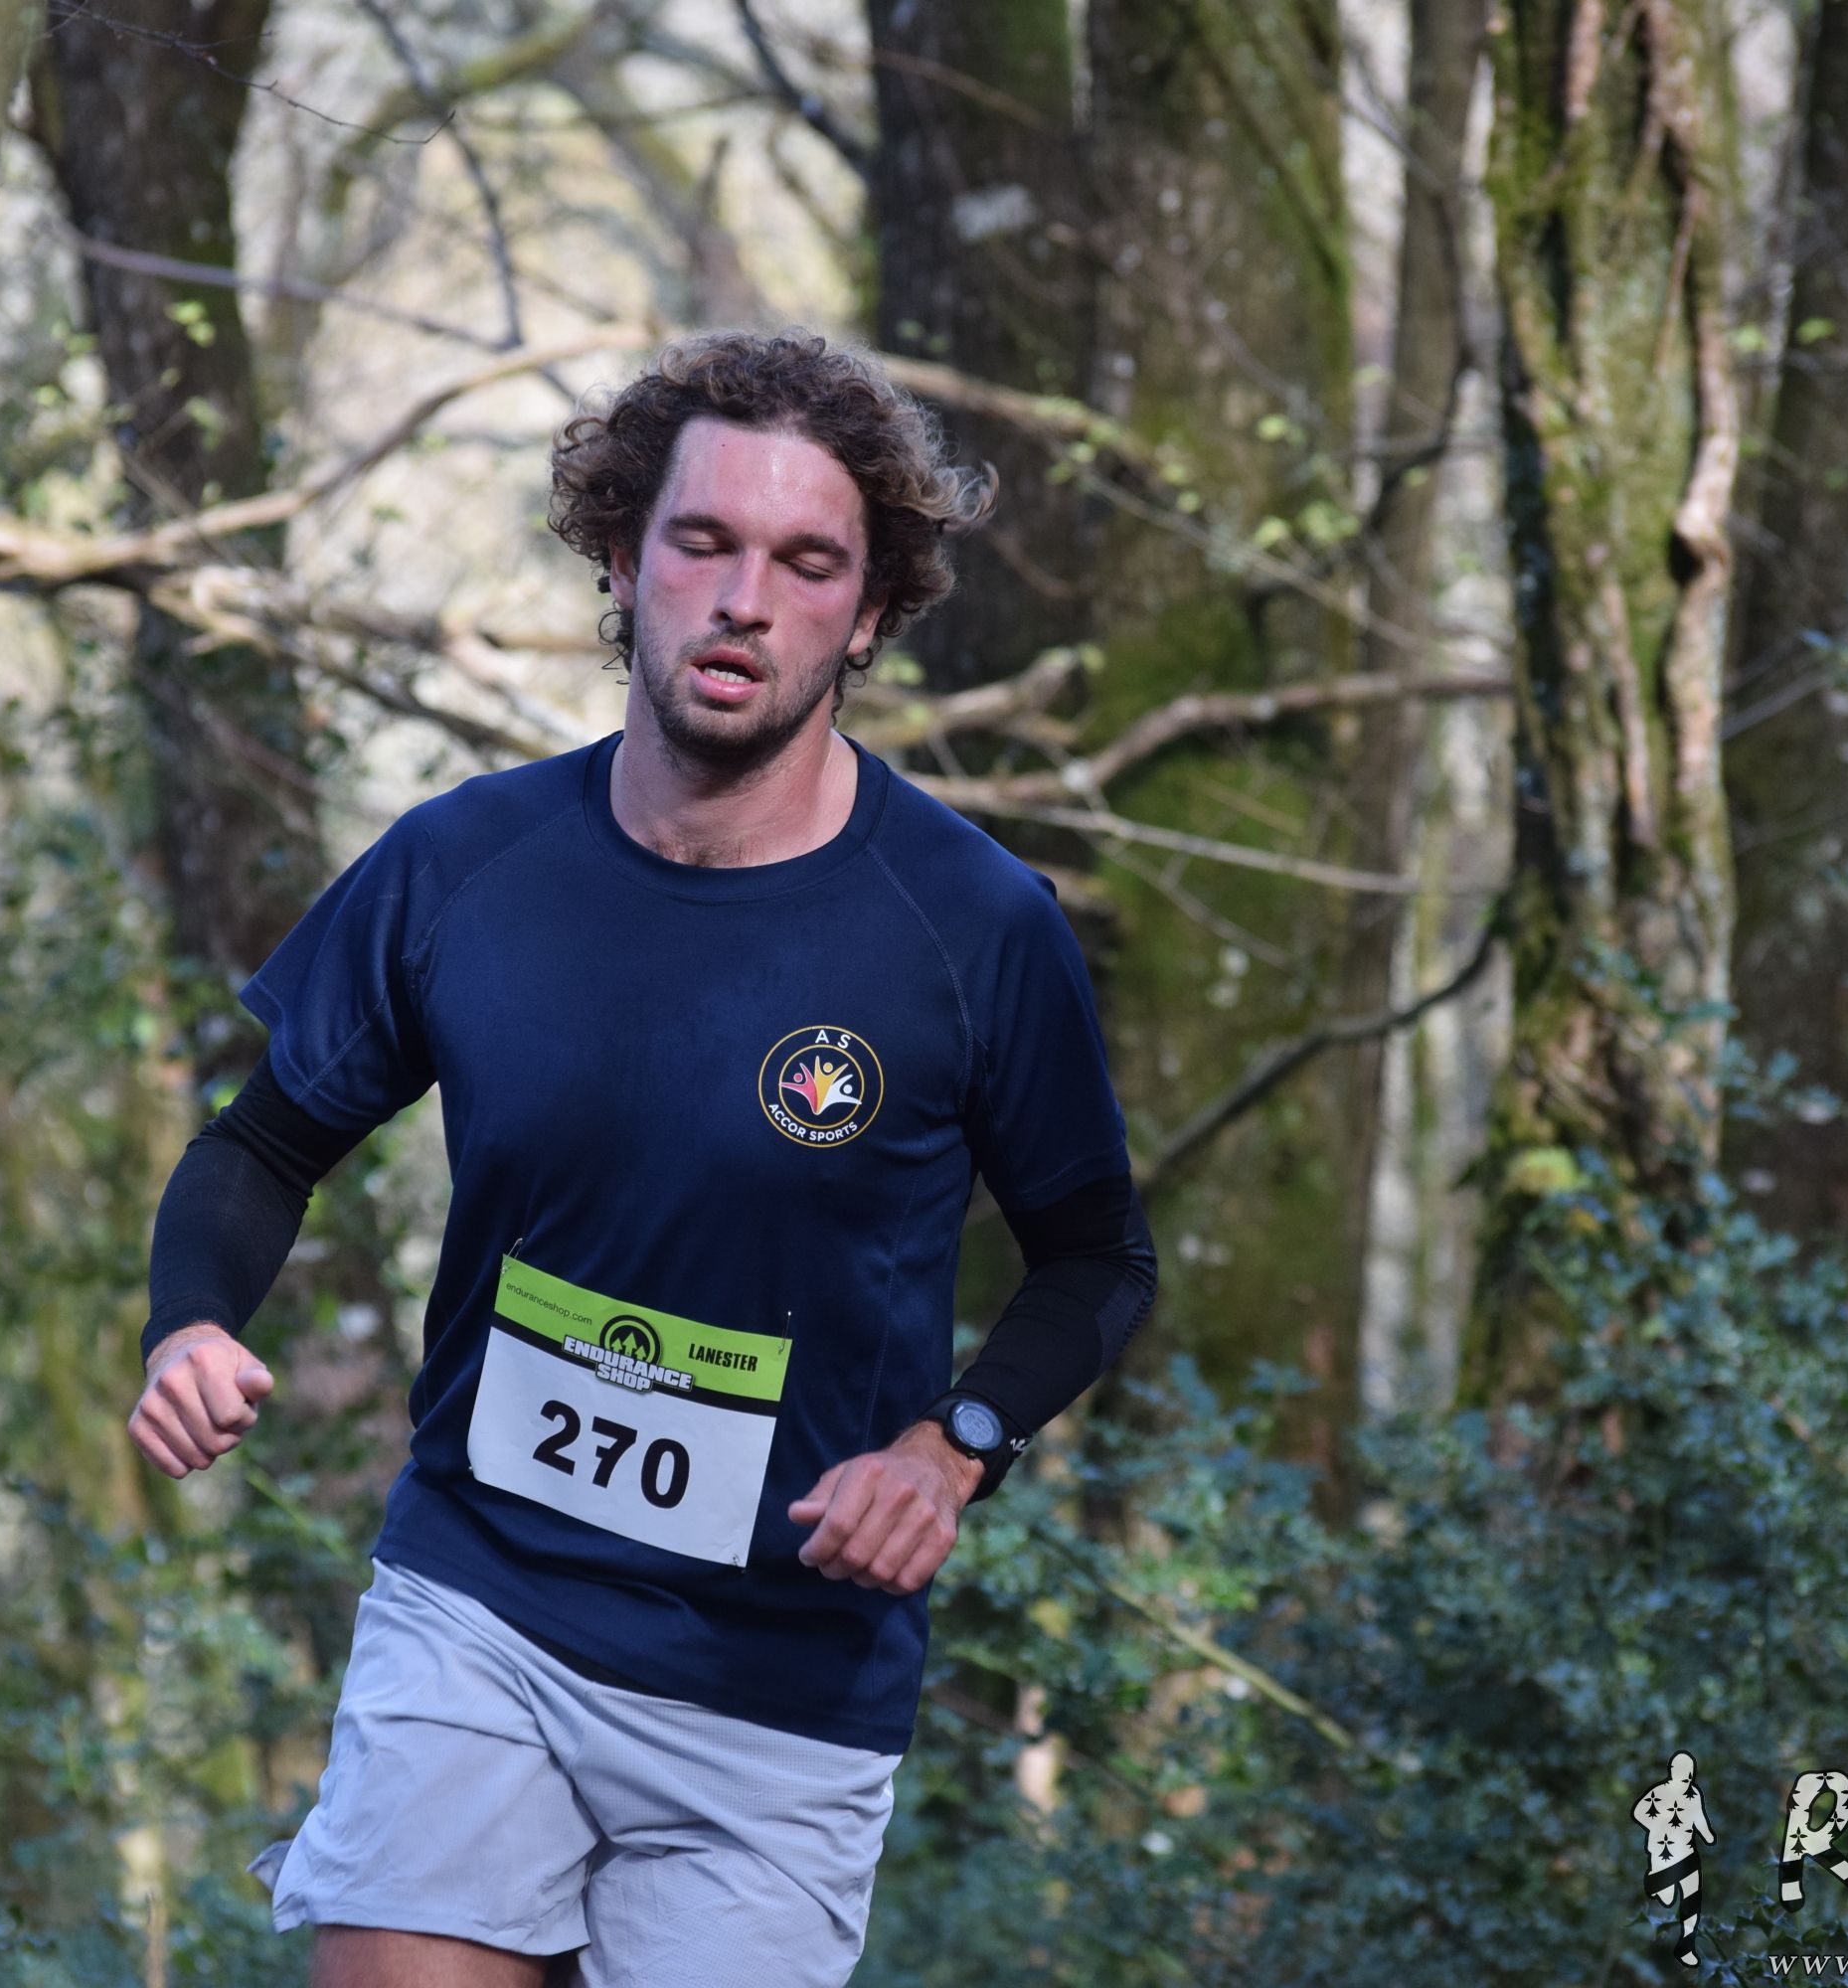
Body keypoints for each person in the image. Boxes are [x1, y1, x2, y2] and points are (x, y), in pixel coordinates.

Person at [127, 327, 1157, 1988]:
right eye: (704, 541)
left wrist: (951, 1448)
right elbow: (261, 1144)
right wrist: (189, 1322)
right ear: (623, 556)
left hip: (780, 1694)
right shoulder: (465, 868)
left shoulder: (973, 929)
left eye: (807, 563)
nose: (745, 599)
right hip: (482, 1608)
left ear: (870, 612)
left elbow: (1099, 1260)